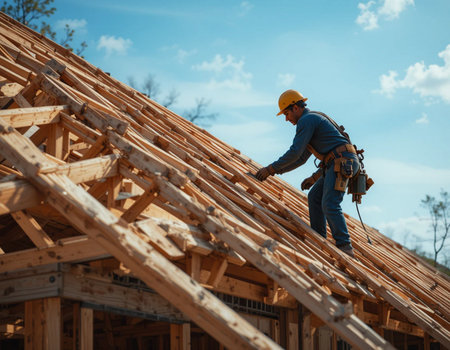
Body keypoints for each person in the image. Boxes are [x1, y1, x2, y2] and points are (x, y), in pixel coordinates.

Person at [255, 89, 359, 258]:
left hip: (342, 162)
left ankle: (345, 247)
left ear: (296, 107)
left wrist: (271, 168)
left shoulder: (307, 120)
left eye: (287, 113)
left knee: (330, 203)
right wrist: (313, 178)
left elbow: (295, 152)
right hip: (338, 161)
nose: (287, 119)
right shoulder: (312, 120)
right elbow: (301, 158)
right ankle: (320, 241)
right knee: (315, 197)